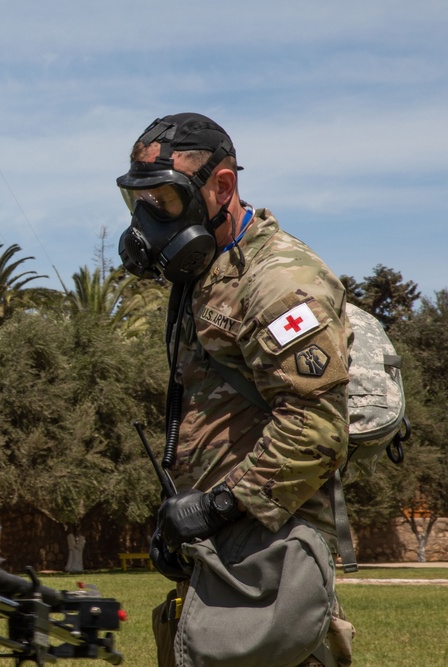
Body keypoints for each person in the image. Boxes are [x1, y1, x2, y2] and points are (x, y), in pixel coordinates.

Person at [115, 113, 355, 666]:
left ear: (221, 186)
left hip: (272, 557)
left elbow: (316, 428)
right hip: (222, 552)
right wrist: (182, 518)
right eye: (139, 202)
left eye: (166, 200)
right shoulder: (206, 277)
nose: (149, 219)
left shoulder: (278, 281)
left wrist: (217, 506)